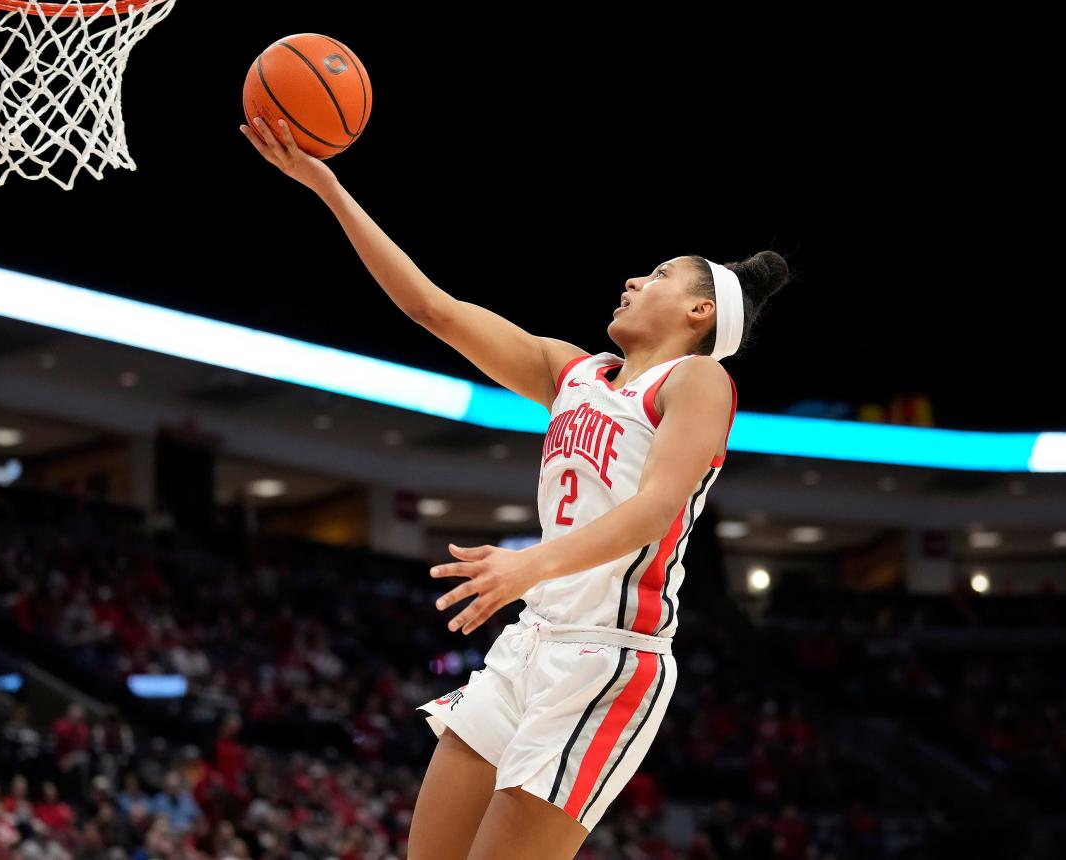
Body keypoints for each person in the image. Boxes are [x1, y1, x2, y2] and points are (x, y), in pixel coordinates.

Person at [240, 116, 790, 860]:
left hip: (608, 658)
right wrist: (328, 188)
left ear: (701, 312)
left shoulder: (696, 379)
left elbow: (657, 507)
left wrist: (526, 564)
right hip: (528, 644)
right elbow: (431, 309)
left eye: (658, 274)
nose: (633, 279)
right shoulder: (574, 372)